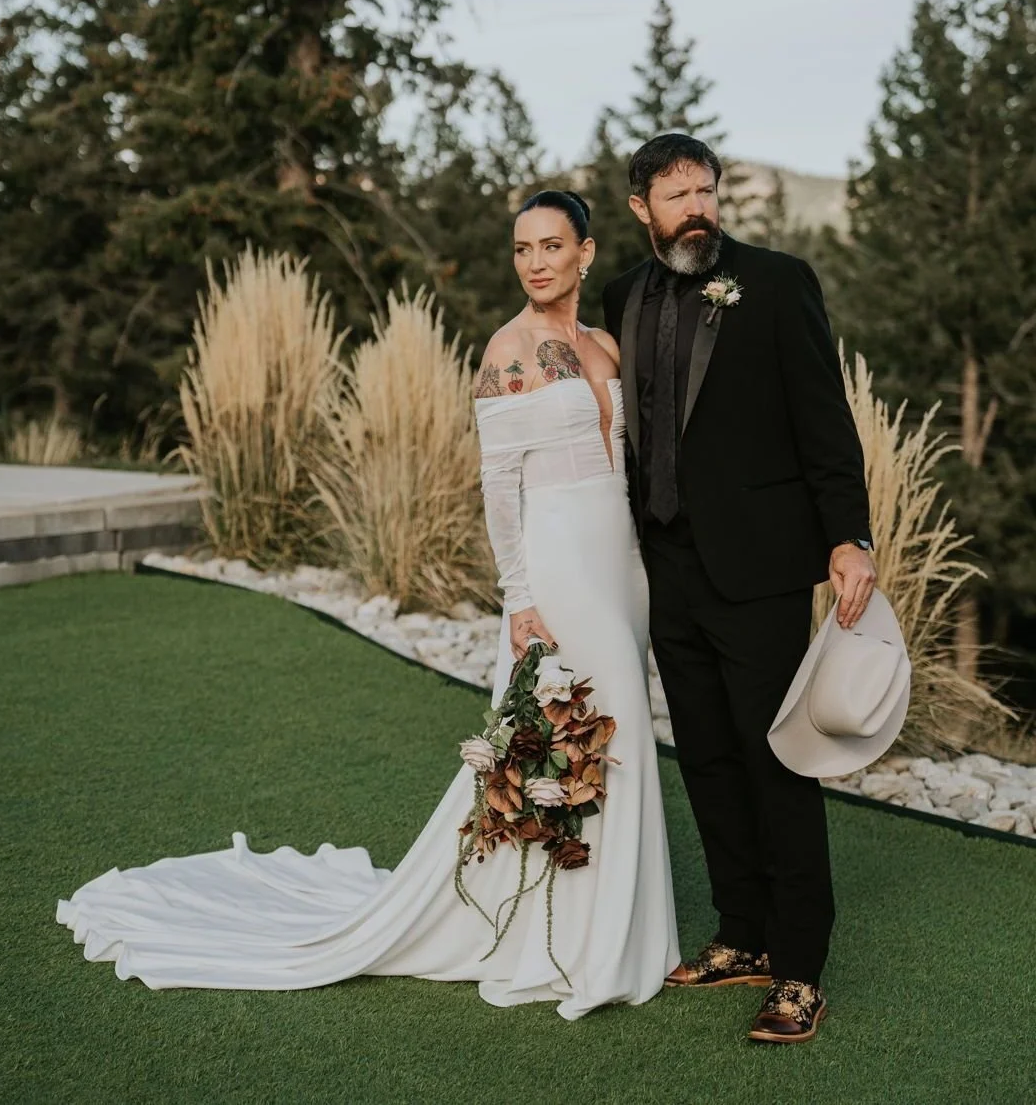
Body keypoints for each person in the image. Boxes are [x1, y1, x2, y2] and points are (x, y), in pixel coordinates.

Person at [56, 188, 680, 1020]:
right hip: (560, 571)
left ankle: (623, 930)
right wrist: (520, 600)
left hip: (621, 567)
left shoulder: (603, 344)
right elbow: (499, 489)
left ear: (586, 253)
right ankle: (556, 937)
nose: (535, 262)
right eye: (522, 248)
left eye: (551, 246)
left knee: (622, 737)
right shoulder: (507, 352)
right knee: (556, 746)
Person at [602, 133, 876, 1044]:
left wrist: (849, 536)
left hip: (757, 568)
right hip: (667, 567)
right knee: (710, 759)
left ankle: (800, 969)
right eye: (676, 196)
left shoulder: (778, 280)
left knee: (777, 762)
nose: (697, 208)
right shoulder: (624, 297)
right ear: (641, 209)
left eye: (705, 190)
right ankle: (742, 935)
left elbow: (823, 420)